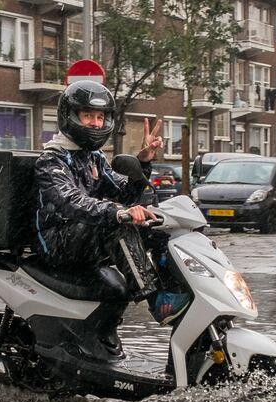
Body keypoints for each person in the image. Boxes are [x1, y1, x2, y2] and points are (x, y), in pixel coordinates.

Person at [33, 81, 190, 328]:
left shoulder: (93, 156)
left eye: (100, 117)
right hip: (58, 242)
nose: (96, 123)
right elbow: (71, 201)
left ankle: (175, 288)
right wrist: (117, 212)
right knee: (120, 227)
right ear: (70, 116)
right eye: (88, 116)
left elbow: (124, 192)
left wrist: (142, 163)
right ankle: (156, 300)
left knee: (157, 226)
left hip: (85, 234)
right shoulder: (52, 160)